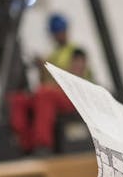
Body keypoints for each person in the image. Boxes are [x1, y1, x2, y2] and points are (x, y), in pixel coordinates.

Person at [8, 13, 93, 154]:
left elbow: (75, 77)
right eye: (55, 32)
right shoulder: (52, 54)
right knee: (19, 99)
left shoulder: (76, 51)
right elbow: (43, 82)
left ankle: (43, 146)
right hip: (55, 95)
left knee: (44, 94)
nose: (58, 35)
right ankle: (24, 145)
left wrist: (49, 68)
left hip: (75, 97)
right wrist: (41, 68)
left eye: (60, 31)